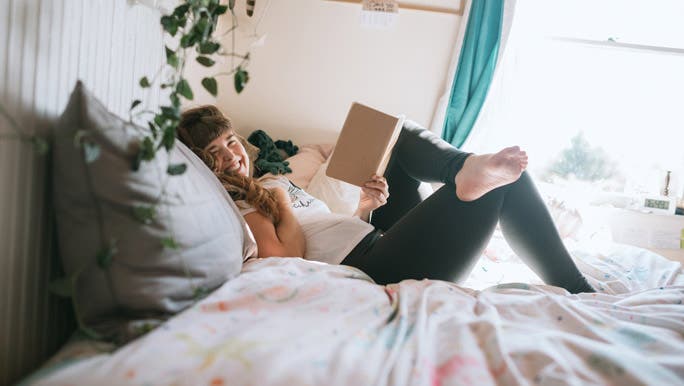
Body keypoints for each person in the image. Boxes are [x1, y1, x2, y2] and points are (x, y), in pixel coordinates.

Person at [177, 105, 595, 294]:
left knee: (394, 136)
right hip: (380, 266)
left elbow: (323, 231)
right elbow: (288, 256)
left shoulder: (269, 182)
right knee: (508, 183)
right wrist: (279, 201)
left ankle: (460, 168)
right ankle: (578, 289)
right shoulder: (236, 203)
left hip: (374, 240)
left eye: (230, 142)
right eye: (213, 154)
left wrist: (365, 208)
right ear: (200, 166)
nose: (230, 157)